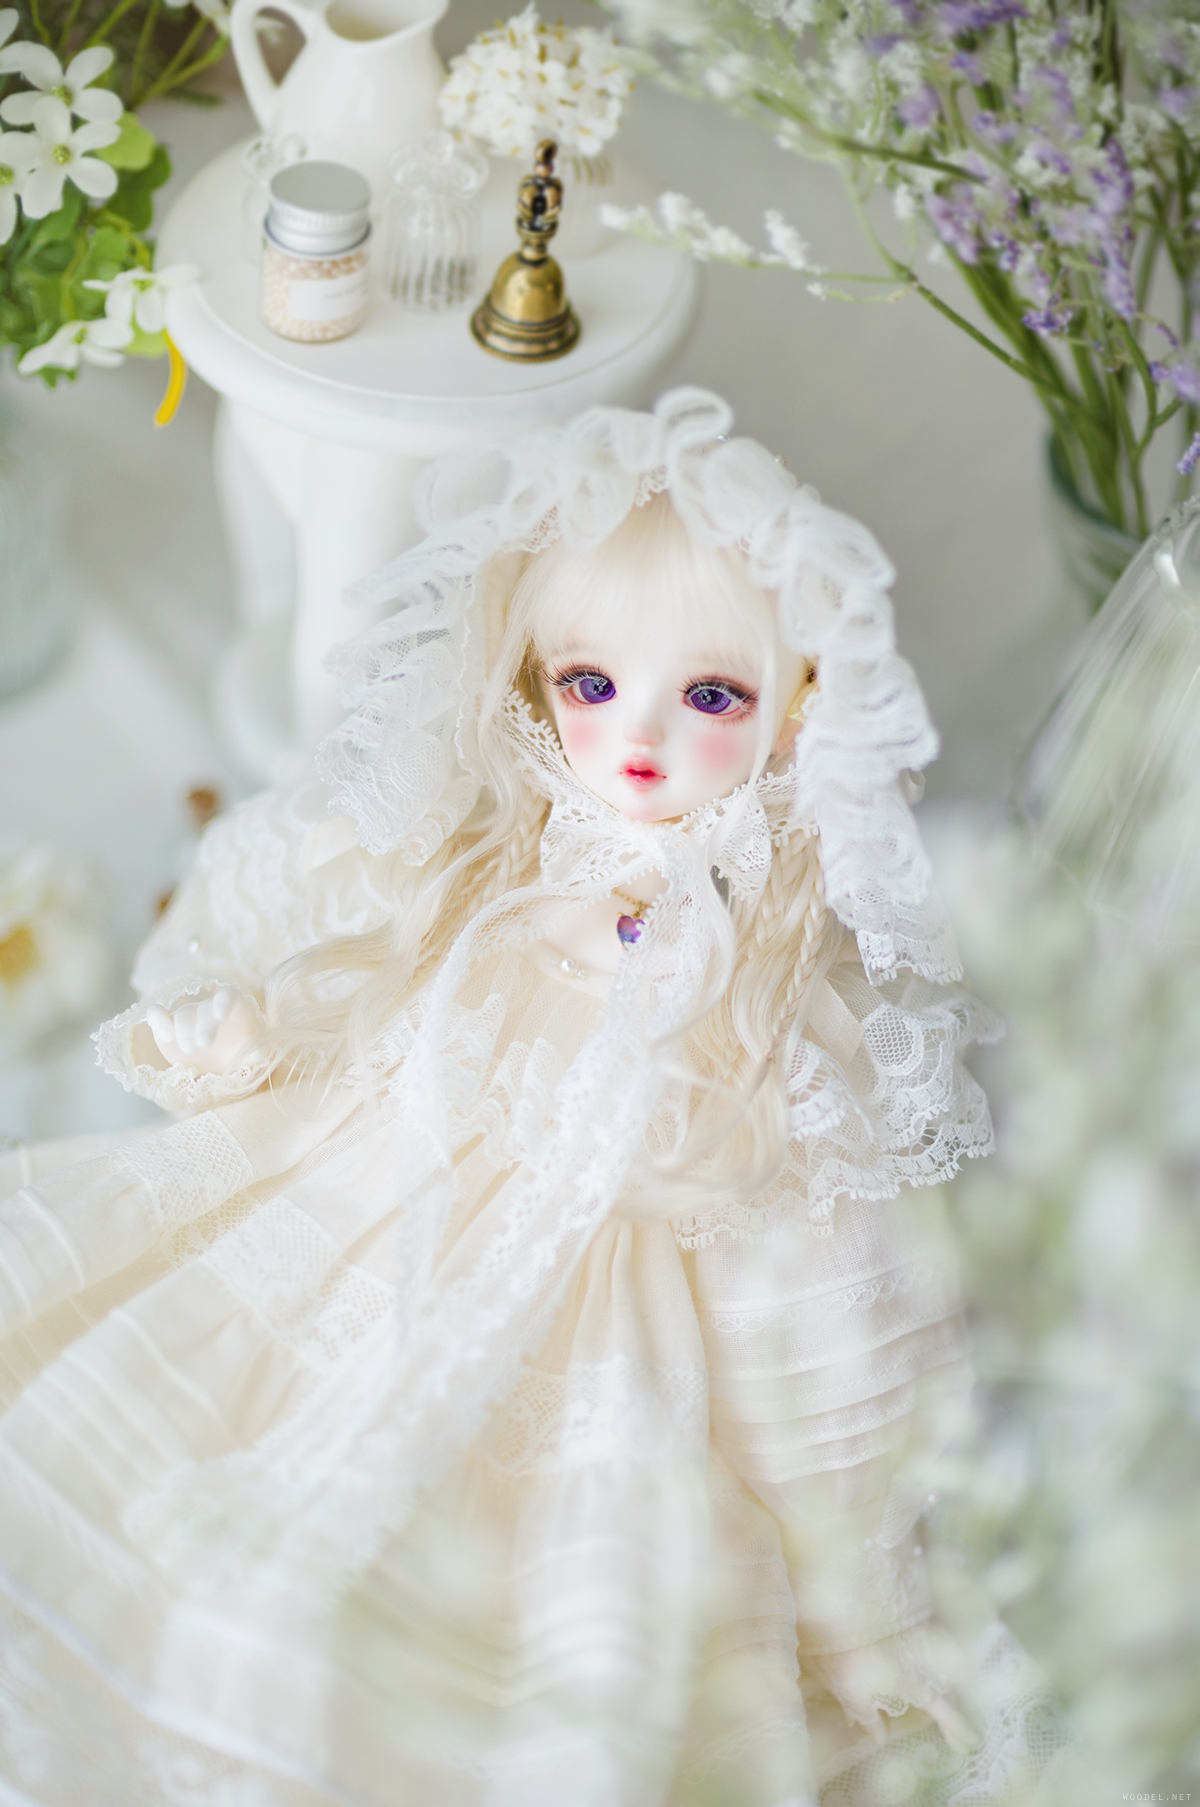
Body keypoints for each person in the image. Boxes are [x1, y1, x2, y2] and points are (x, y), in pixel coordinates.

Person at [0, 389, 1054, 1805]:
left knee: (490, 1639)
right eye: (589, 681)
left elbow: (818, 1291)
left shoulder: (770, 1002)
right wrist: (245, 1031)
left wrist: (857, 1585)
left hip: (605, 1355)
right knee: (145, 1477)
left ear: (805, 703)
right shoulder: (478, 867)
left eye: (714, 695)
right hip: (361, 1218)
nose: (638, 735)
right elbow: (340, 998)